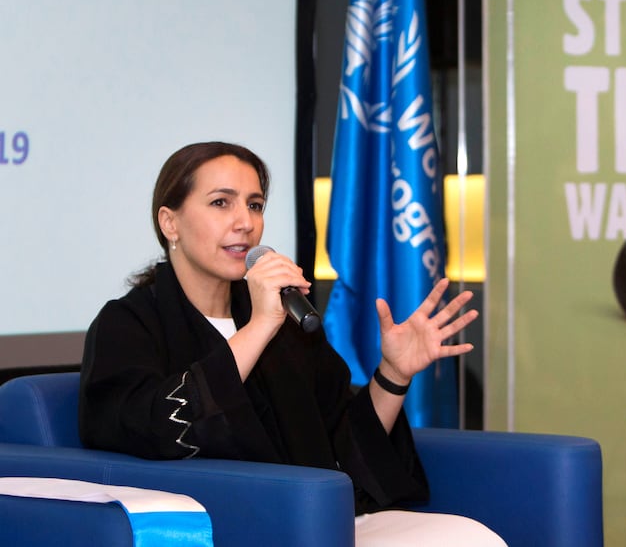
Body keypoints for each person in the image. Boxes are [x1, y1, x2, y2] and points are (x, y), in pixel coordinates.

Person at [79, 141, 507, 546]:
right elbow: (151, 428)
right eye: (220, 202)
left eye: (255, 204)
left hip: (319, 516)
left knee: (467, 536)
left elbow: (343, 441)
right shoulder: (129, 323)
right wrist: (261, 325)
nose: (245, 222)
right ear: (169, 222)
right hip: (230, 526)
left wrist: (393, 374)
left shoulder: (283, 320)